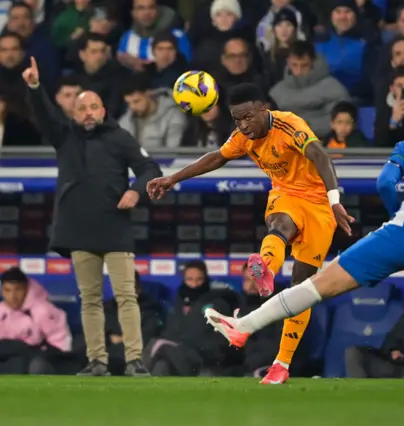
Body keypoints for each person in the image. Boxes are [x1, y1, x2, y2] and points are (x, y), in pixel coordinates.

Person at [203, 87, 404, 389]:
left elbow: (385, 183)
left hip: (403, 234)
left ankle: (243, 326)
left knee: (315, 287)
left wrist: (401, 211)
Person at [146, 82, 353, 385]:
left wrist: (335, 201)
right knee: (279, 224)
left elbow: (321, 155)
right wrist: (173, 178)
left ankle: (281, 364)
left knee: (302, 289)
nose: (242, 126)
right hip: (286, 195)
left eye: (247, 117)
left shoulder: (289, 125)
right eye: (236, 120)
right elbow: (217, 157)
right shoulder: (243, 137)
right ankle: (266, 267)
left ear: (263, 109)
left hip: (321, 205)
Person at [22, 56, 162, 377]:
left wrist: (136, 190)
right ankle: (97, 361)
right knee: (90, 299)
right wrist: (34, 87)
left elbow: (149, 169)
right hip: (78, 228)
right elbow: (43, 114)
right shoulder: (63, 136)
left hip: (115, 228)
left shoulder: (119, 137)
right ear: (74, 114)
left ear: (104, 111)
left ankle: (134, 360)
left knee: (126, 296)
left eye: (94, 107)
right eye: (82, 109)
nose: (88, 113)